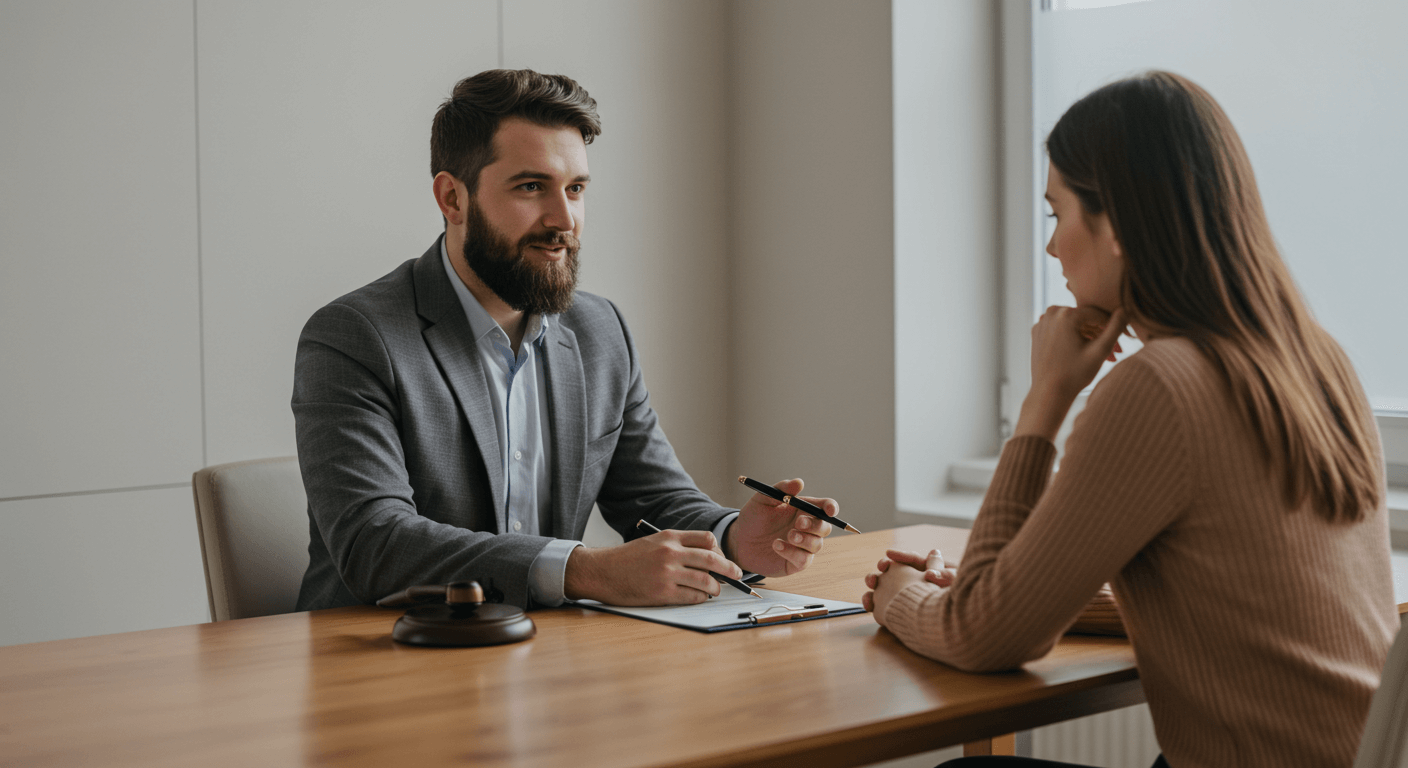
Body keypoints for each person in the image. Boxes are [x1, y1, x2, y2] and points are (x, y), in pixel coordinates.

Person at [865, 71, 1395, 768]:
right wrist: (986, 589)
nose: (1052, 248)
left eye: (1057, 215)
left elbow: (985, 639)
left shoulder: (1160, 388)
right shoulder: (1317, 363)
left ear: (1112, 223)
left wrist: (1043, 404)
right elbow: (1236, 603)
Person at [292, 69, 836, 612]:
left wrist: (739, 539)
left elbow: (654, 498)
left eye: (575, 189)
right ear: (452, 198)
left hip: (544, 657)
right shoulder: (355, 337)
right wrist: (582, 570)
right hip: (382, 660)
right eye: (531, 187)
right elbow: (375, 543)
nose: (564, 219)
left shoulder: (600, 331)